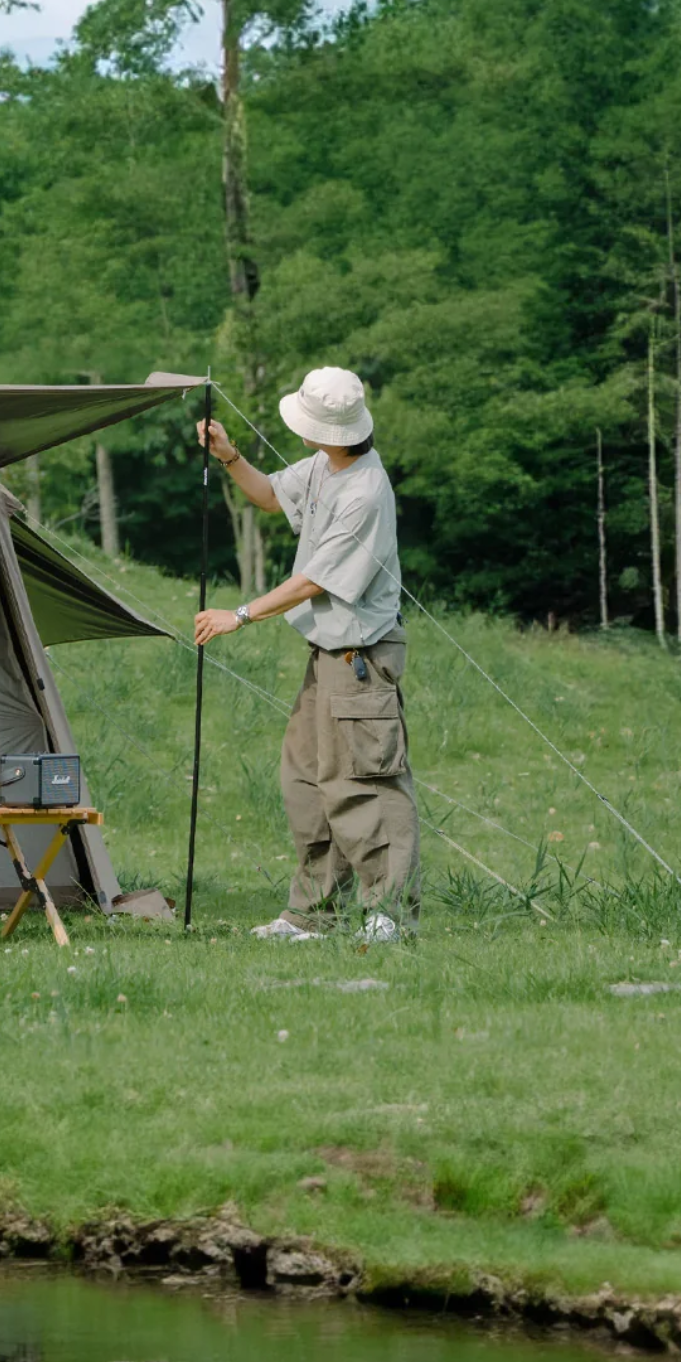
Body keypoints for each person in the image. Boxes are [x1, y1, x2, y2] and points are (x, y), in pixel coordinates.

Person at [193, 366, 418, 942]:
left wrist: (239, 614)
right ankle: (312, 914)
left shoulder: (365, 491)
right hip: (327, 655)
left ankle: (389, 916)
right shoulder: (324, 464)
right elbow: (271, 496)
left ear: (326, 431)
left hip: (360, 659)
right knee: (306, 783)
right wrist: (228, 455)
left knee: (364, 785)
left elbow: (313, 580)